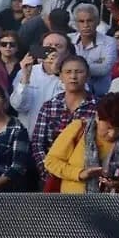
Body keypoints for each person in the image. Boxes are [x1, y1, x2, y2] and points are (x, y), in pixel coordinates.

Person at [30, 55, 96, 191]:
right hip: (50, 176)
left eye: (79, 72)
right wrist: (49, 170)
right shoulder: (49, 106)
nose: (73, 76)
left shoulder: (98, 108)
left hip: (84, 179)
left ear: (88, 75)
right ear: (60, 76)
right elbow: (37, 143)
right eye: (68, 72)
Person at [44, 92, 119, 194]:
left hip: (114, 206)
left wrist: (118, 183)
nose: (112, 134)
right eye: (108, 128)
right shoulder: (79, 128)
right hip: (74, 204)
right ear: (97, 117)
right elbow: (51, 162)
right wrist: (79, 174)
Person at [10, 31, 71, 134]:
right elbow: (18, 106)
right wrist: (26, 77)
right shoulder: (27, 70)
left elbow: (74, 103)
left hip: (57, 137)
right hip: (27, 135)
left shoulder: (73, 73)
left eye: (58, 46)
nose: (52, 50)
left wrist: (58, 72)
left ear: (66, 52)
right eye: (48, 46)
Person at [72, 3, 115, 96]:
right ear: (76, 23)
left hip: (100, 96)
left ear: (98, 22)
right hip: (74, 93)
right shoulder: (69, 40)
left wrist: (72, 69)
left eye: (90, 20)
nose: (86, 25)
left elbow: (104, 69)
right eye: (81, 21)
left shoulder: (109, 42)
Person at [0, 31, 23, 96]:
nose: (8, 47)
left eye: (12, 45)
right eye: (4, 44)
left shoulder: (23, 66)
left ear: (17, 48)